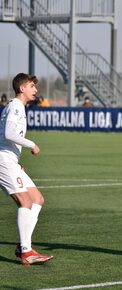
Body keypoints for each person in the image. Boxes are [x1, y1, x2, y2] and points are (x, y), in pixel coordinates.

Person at [0, 73, 53, 265]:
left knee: (37, 199)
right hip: (4, 160)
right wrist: (32, 144)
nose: (35, 90)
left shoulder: (17, 106)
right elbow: (9, 134)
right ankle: (26, 251)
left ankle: (23, 245)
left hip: (10, 160)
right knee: (25, 202)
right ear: (22, 88)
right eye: (32, 86)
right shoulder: (16, 106)